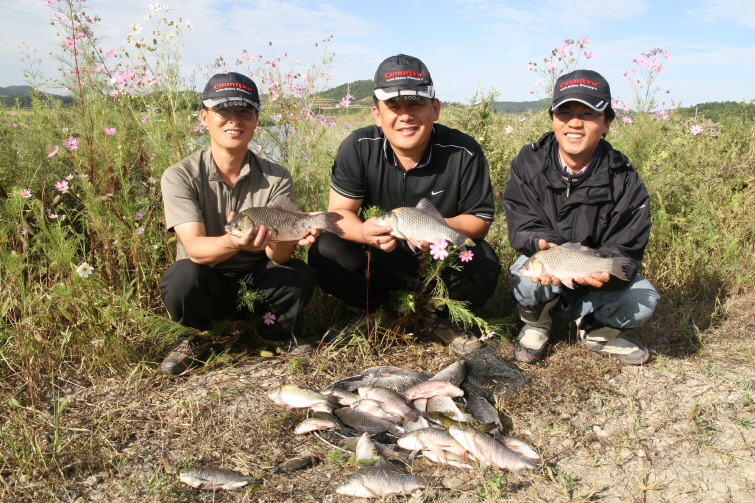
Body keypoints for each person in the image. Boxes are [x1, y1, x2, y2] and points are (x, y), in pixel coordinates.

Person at [308, 54, 501, 354]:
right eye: (394, 107)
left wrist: (431, 230)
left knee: (483, 261)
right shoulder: (358, 147)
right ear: (376, 114)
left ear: (434, 108)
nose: (405, 116)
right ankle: (367, 308)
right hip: (378, 258)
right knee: (325, 249)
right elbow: (339, 213)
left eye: (415, 105)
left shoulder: (463, 151)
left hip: (436, 260)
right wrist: (363, 233)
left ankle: (439, 315)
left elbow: (479, 221)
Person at [159, 72, 319, 375]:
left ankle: (271, 334)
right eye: (224, 111)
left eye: (245, 112)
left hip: (257, 276)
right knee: (181, 277)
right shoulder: (179, 175)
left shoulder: (277, 176)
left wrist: (291, 234)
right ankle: (196, 338)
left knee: (298, 275)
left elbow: (280, 258)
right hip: (208, 278)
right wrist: (234, 240)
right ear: (204, 117)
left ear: (256, 120)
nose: (235, 120)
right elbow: (195, 249)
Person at [503, 69, 660, 365]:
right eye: (565, 113)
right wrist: (544, 243)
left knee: (643, 299)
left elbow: (627, 248)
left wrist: (604, 271)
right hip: (549, 262)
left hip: (591, 272)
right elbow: (522, 224)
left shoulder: (625, 178)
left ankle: (596, 333)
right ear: (553, 118)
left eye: (587, 113)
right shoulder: (529, 162)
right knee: (525, 273)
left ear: (607, 123)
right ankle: (537, 324)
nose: (574, 122)